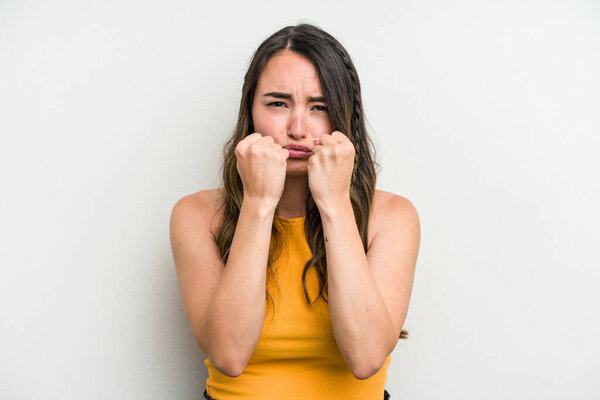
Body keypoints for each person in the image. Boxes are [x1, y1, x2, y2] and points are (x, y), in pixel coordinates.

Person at [169, 23, 421, 400]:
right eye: (277, 103)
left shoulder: (393, 216)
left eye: (319, 107)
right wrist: (258, 203)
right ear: (250, 110)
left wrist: (335, 204)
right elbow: (228, 356)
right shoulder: (197, 215)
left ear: (344, 116)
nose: (298, 128)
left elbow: (367, 358)